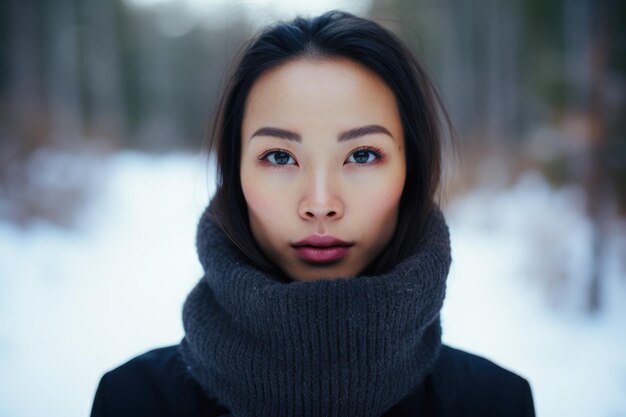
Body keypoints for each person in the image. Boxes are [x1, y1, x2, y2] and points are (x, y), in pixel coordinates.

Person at [90, 10, 535, 417]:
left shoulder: (496, 403)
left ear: (411, 172)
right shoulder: (132, 401)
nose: (320, 203)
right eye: (280, 157)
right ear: (234, 174)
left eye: (362, 155)